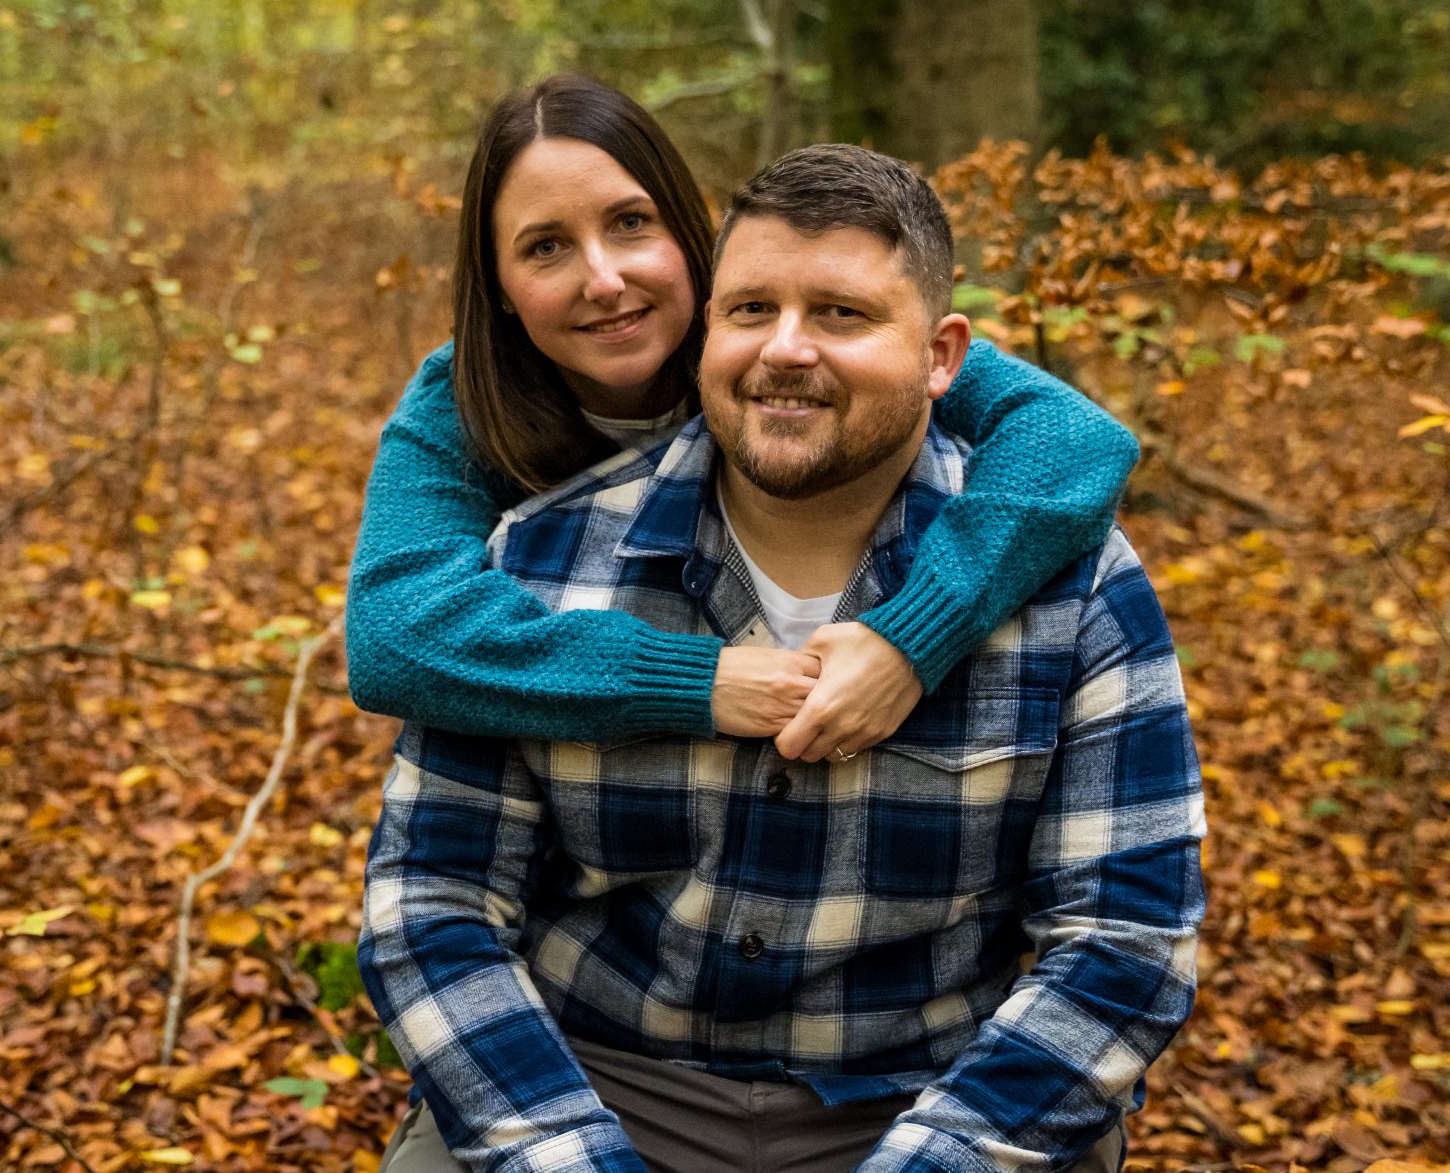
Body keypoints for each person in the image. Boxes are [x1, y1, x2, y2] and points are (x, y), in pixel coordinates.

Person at [302, 141, 1207, 1173]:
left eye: (840, 313)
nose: (787, 349)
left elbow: (1124, 946)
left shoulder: (1068, 586)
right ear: (704, 334)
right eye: (753, 310)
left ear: (944, 354)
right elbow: (429, 910)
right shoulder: (537, 566)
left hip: (930, 1092)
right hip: (596, 1082)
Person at [342, 72, 1141, 770]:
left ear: (689, 234)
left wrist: (911, 636)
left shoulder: (775, 343)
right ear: (501, 288)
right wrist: (697, 680)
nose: (604, 278)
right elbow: (391, 637)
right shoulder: (460, 402)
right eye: (546, 246)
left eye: (630, 223)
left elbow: (1075, 439)